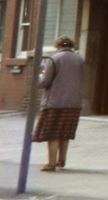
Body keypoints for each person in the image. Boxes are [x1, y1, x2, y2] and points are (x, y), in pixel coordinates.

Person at [32, 36, 84, 172]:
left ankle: (51, 163)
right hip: (74, 103)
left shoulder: (54, 59)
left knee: (52, 134)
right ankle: (62, 161)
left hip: (54, 103)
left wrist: (38, 78)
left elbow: (45, 82)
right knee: (64, 133)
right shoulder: (79, 59)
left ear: (58, 46)